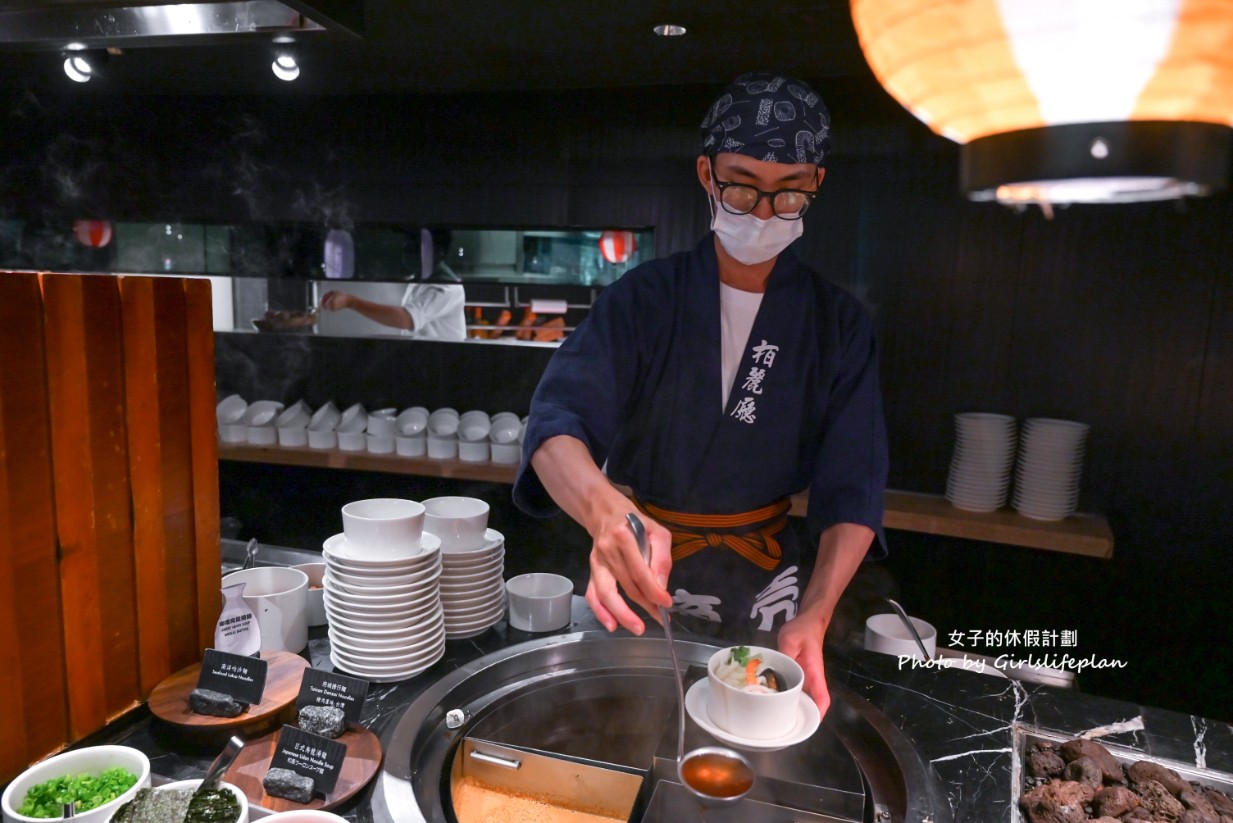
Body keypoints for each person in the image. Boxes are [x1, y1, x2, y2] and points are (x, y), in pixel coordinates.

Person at [512, 72, 888, 720]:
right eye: (742, 184)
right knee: (622, 732)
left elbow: (853, 486)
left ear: (816, 185)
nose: (764, 210)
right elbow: (555, 422)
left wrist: (816, 613)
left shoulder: (838, 324)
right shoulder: (642, 299)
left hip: (767, 594)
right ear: (706, 174)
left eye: (789, 192)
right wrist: (605, 514)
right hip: (639, 573)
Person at [320, 228, 467, 340]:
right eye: (409, 245)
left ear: (438, 252)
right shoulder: (419, 278)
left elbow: (407, 319)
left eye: (417, 246)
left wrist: (350, 302)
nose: (409, 251)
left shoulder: (448, 288)